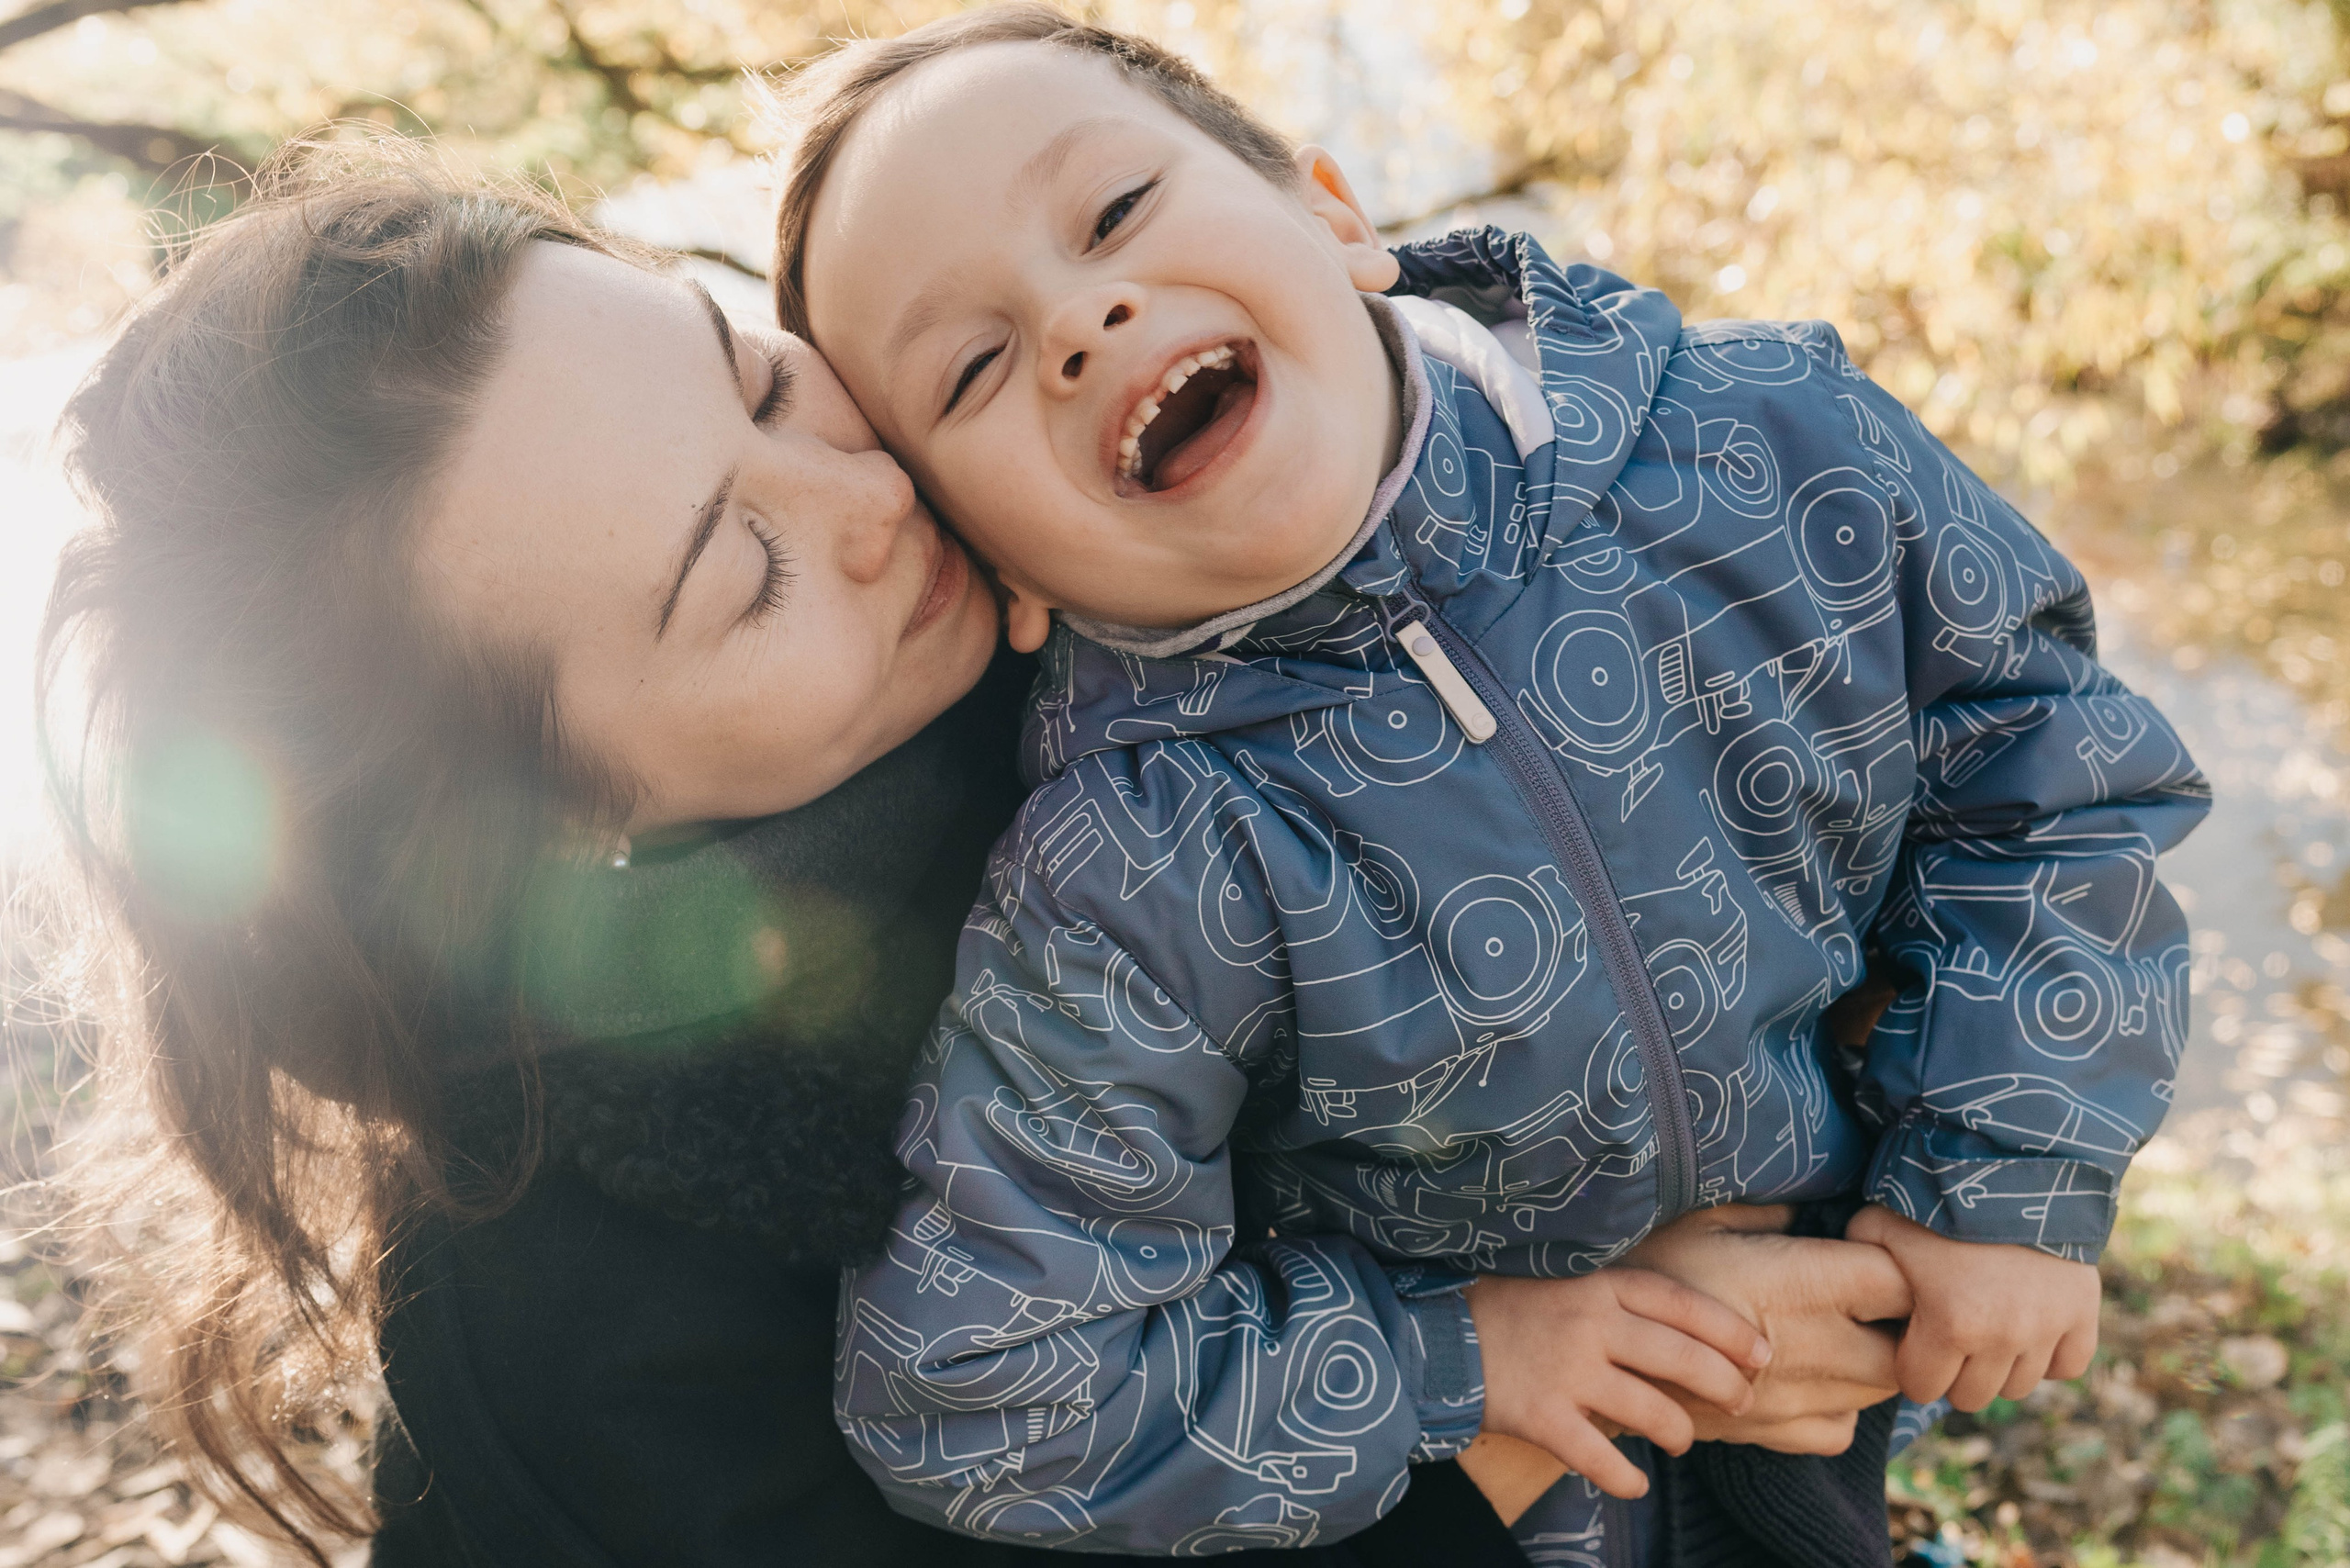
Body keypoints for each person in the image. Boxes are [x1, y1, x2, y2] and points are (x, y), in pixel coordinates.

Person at [36, 131, 1916, 1568]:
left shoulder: (1101, 630)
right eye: (739, 573)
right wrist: (1607, 1361)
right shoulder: (573, 1331)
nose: (867, 496)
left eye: (760, 379)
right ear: (550, 825)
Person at [769, 7, 2212, 1561]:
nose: (1078, 317)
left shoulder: (1766, 443)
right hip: (1528, 1517)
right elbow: (980, 1388)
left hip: (1854, 1346)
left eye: (1115, 211)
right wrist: (1472, 1358)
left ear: (1333, 214)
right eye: (974, 364)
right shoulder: (1130, 866)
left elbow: (2055, 764)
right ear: (997, 569)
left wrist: (2004, 1164)